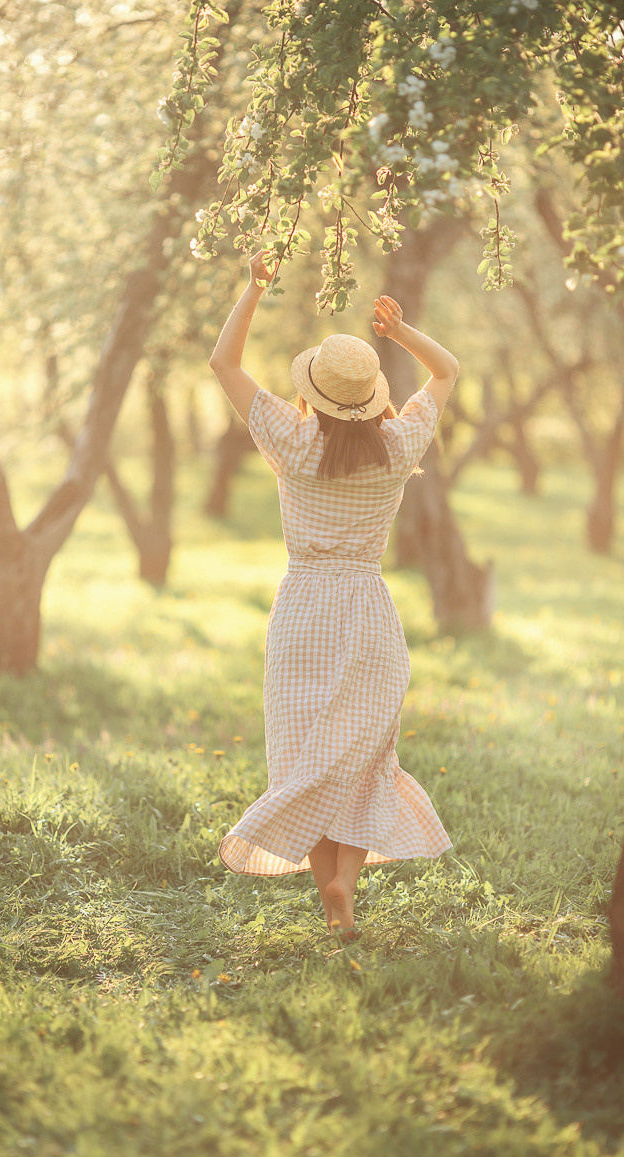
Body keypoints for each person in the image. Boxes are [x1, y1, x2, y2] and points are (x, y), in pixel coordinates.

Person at [209, 248, 457, 940]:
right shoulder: (398, 446)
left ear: (313, 393)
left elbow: (223, 365)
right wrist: (400, 332)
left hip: (304, 612)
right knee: (360, 756)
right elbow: (447, 372)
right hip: (368, 610)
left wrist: (253, 288)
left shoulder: (291, 439)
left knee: (305, 759)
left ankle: (330, 893)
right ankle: (347, 879)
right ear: (372, 394)